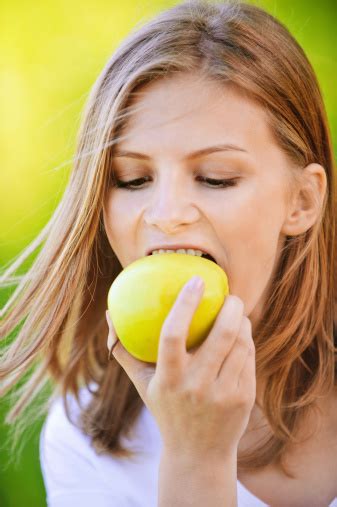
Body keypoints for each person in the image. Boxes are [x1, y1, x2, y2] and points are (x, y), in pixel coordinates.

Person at [1, 0, 336, 505]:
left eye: (215, 178)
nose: (166, 212)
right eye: (132, 179)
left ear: (302, 201)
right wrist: (195, 459)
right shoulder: (87, 441)